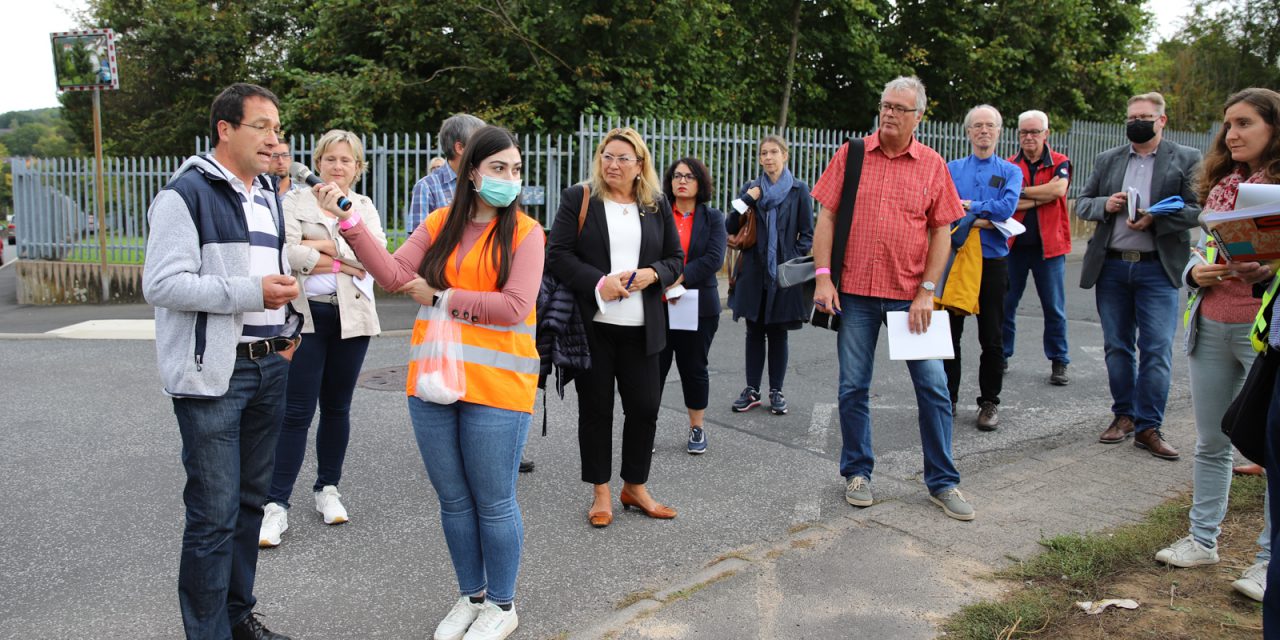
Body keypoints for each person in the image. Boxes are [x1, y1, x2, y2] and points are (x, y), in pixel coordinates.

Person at [321, 125, 542, 640]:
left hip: (497, 387)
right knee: (454, 501)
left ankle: (503, 605)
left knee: (494, 500)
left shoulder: (527, 234)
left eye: (515, 170)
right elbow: (395, 275)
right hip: (434, 383)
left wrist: (441, 295)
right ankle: (472, 595)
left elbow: (514, 307)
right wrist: (350, 220)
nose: (510, 179)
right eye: (499, 169)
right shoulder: (441, 222)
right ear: (471, 172)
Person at [142, 83, 298, 640]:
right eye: (261, 126)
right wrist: (253, 293)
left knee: (251, 505)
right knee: (213, 516)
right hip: (214, 374)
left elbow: (273, 273)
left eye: (277, 128)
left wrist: (289, 327)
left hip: (268, 364)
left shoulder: (267, 195)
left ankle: (238, 619)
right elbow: (162, 284)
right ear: (225, 129)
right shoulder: (184, 195)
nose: (273, 138)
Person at [811, 75, 973, 521]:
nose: (889, 114)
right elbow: (827, 216)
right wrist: (823, 278)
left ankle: (943, 481)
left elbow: (943, 230)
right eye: (885, 105)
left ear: (918, 116)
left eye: (900, 108)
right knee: (853, 388)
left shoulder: (932, 165)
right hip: (856, 295)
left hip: (910, 300)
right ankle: (857, 472)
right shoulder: (853, 154)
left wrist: (927, 291)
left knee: (935, 389)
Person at [1155, 90, 1280, 603]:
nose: (1232, 134)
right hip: (1210, 323)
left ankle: (1268, 562)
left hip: (1263, 333)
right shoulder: (1224, 185)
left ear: (1274, 128)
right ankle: (1202, 540)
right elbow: (1200, 248)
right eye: (1228, 124)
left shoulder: (1278, 188)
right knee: (1211, 442)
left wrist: (1269, 266)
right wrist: (1193, 271)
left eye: (1245, 123)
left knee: (1272, 451)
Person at [545, 127, 684, 528]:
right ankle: (601, 492)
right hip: (594, 328)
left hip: (644, 329)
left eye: (623, 158)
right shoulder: (581, 197)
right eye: (607, 156)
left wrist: (652, 274)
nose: (613, 164)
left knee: (645, 408)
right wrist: (598, 282)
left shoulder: (656, 204)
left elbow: (675, 257)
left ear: (640, 166)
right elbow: (558, 254)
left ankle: (635, 486)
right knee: (596, 410)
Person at [258, 130, 386, 548]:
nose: (337, 167)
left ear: (357, 167)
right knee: (295, 412)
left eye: (345, 160)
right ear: (318, 162)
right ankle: (275, 505)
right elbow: (285, 251)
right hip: (306, 319)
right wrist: (340, 255)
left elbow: (376, 256)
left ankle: (327, 489)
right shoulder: (293, 201)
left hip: (353, 318)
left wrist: (324, 251)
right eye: (330, 159)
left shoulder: (363, 206)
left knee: (337, 407)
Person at [1076, 92, 1203, 460]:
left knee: (1156, 350)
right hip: (1112, 266)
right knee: (1116, 346)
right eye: (1132, 116)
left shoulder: (1186, 159)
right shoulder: (1108, 159)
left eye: (1145, 116)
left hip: (1156, 268)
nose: (1137, 122)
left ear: (1161, 120)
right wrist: (1106, 205)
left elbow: (1196, 210)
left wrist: (1156, 218)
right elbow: (1083, 202)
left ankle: (1149, 426)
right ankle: (1124, 415)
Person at [944, 105, 1022, 430]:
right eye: (977, 126)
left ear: (999, 131)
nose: (984, 131)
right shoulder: (951, 168)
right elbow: (946, 208)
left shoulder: (1010, 171)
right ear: (968, 132)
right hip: (957, 260)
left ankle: (989, 402)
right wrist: (984, 220)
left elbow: (1007, 208)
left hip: (992, 263)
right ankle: (946, 399)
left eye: (990, 125)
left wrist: (972, 208)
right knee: (950, 336)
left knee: (992, 337)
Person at [726, 135, 814, 416]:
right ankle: (752, 390)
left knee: (778, 333)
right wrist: (746, 199)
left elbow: (807, 234)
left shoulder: (798, 190)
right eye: (763, 153)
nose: (768, 158)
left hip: (782, 273)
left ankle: (776, 390)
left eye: (773, 152)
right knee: (754, 331)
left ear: (785, 156)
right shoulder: (751, 189)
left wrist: (789, 257)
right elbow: (730, 224)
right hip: (753, 270)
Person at [659, 157, 726, 454]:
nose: (681, 181)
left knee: (693, 367)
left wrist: (680, 278)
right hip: (658, 303)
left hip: (696, 304)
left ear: (701, 183)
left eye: (688, 176)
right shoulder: (657, 213)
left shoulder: (713, 218)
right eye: (676, 176)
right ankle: (645, 429)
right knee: (652, 368)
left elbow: (714, 258)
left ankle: (696, 428)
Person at [1004, 110, 1073, 385]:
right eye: (1024, 132)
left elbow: (1058, 191)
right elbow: (1007, 203)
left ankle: (1059, 360)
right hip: (1013, 246)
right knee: (1005, 305)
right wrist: (1038, 196)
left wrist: (1023, 194)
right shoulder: (1008, 165)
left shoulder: (1060, 162)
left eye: (1034, 132)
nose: (1029, 137)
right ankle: (1002, 355)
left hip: (1050, 248)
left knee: (1054, 307)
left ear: (1046, 134)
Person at [408, 113, 486, 230]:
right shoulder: (427, 187)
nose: (486, 149)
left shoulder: (485, 181)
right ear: (460, 148)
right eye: (479, 144)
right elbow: (418, 241)